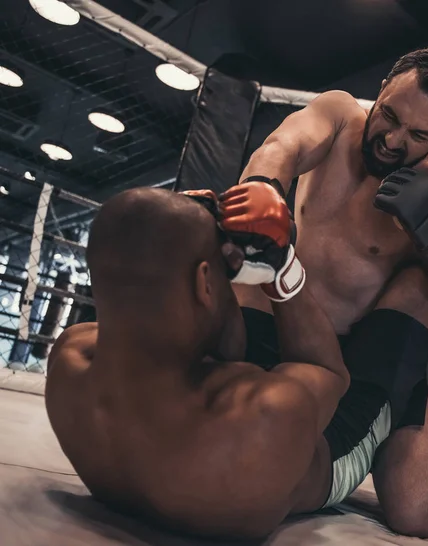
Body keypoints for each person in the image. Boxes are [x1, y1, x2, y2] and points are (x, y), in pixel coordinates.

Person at [233, 46, 428, 538]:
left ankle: (392, 416)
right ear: (381, 89)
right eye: (391, 116)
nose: (393, 140)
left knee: (421, 517)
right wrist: (264, 191)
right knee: (245, 281)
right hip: (286, 325)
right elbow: (280, 148)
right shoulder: (338, 117)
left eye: (419, 135)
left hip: (371, 359)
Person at [45, 186, 357, 540]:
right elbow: (330, 373)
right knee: (404, 309)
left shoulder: (67, 360)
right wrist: (282, 266)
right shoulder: (265, 412)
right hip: (329, 455)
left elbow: (221, 348)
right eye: (225, 270)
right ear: (205, 281)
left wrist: (184, 230)